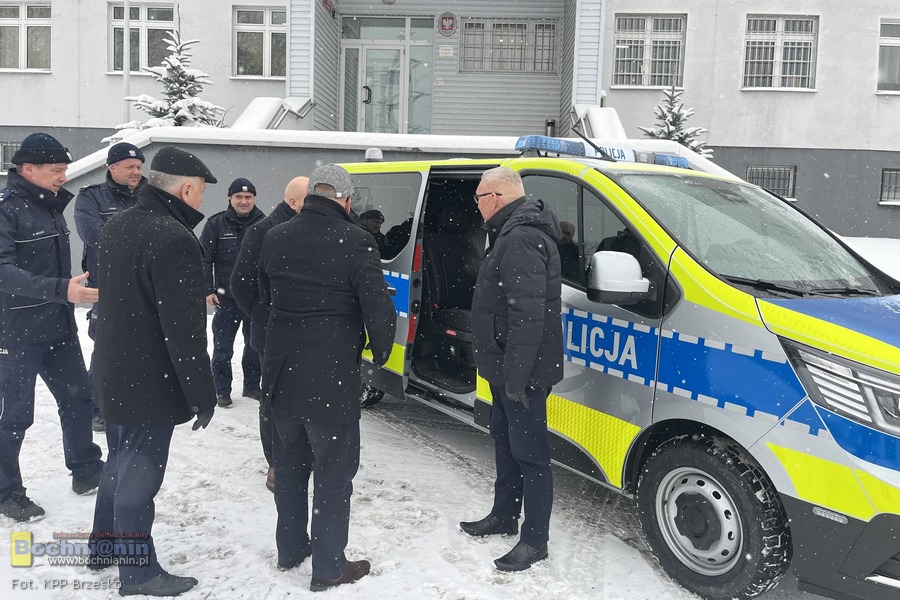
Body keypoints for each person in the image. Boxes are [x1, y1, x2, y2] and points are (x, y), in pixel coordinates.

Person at [259, 164, 395, 591]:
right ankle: (330, 567)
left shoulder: (276, 235)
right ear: (347, 200)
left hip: (282, 371)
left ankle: (290, 549)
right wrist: (381, 350)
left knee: (289, 466)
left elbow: (264, 294)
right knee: (334, 475)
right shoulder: (357, 240)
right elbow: (377, 306)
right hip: (330, 375)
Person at [89, 145, 218, 597]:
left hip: (114, 370)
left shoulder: (118, 225)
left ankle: (104, 547)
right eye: (200, 192)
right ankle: (139, 573)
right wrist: (203, 393)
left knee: (118, 462)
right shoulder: (174, 238)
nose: (201, 201)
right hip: (149, 383)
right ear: (186, 190)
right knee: (138, 477)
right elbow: (184, 332)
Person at [459, 166, 563, 571]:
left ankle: (535, 540)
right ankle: (504, 515)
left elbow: (528, 316)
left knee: (531, 455)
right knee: (505, 442)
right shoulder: (509, 232)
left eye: (479, 198)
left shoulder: (520, 237)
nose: (477, 206)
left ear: (496, 198)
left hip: (522, 374)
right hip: (507, 369)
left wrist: (516, 379)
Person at [0, 133, 104, 523]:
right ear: (29, 169)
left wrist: (65, 293)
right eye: (57, 170)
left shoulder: (50, 206)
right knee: (14, 416)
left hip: (57, 326)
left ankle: (86, 468)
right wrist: (62, 290)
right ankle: (6, 491)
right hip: (14, 331)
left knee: (78, 398)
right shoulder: (6, 210)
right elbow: (3, 272)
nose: (64, 177)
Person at [230, 175, 308, 492]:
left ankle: (301, 454)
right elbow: (240, 284)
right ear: (293, 201)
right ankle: (276, 461)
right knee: (275, 399)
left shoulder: (307, 228)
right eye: (310, 199)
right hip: (273, 335)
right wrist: (266, 316)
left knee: (302, 396)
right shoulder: (262, 231)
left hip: (303, 334)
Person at [74, 141, 147, 432]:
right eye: (130, 167)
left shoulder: (151, 196)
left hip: (144, 285)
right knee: (106, 349)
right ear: (112, 167)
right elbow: (95, 235)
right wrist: (140, 241)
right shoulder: (91, 197)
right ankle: (97, 407)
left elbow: (166, 233)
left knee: (143, 346)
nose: (136, 172)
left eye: (139, 167)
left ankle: (132, 402)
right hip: (108, 286)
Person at [200, 177, 266, 408]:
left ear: (254, 199)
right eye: (239, 196)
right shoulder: (216, 224)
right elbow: (204, 259)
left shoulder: (265, 224)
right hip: (225, 298)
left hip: (255, 298)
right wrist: (208, 289)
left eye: (248, 197)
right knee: (222, 349)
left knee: (255, 345)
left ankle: (252, 387)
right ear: (230, 198)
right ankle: (222, 391)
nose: (244, 201)